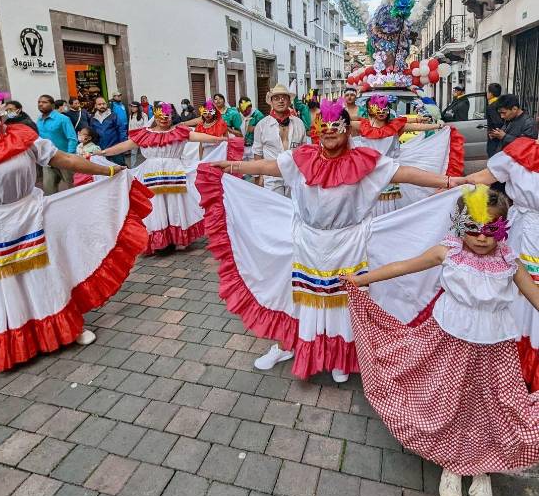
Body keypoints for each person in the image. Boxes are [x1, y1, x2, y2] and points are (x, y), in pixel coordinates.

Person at [196, 99, 466, 383]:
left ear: (347, 130)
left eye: (335, 127)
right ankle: (289, 346)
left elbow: (404, 173)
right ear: (317, 130)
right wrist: (233, 166)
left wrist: (449, 182)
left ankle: (340, 358)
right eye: (323, 127)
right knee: (300, 296)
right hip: (307, 242)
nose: (329, 132)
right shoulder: (302, 157)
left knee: (342, 301)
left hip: (349, 243)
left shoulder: (364, 160)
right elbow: (271, 166)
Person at [346, 185, 539, 496]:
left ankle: (481, 468)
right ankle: (453, 462)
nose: (482, 238)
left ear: (502, 228)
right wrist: (361, 279)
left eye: (491, 229)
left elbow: (535, 296)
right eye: (473, 228)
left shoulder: (510, 262)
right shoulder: (448, 252)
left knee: (490, 408)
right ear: (460, 225)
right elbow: (402, 267)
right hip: (448, 346)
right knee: (449, 401)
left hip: (495, 355)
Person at [0, 81, 153, 372]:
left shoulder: (23, 138)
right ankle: (5, 341)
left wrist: (109, 169)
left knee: (41, 274)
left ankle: (64, 328)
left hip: (25, 218)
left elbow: (64, 159)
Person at [98, 102, 226, 253]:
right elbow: (124, 146)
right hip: (152, 177)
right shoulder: (145, 134)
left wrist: (220, 140)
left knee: (175, 205)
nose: (164, 118)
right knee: (156, 206)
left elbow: (200, 136)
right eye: (160, 115)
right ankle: (161, 241)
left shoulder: (179, 132)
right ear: (155, 116)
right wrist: (103, 153)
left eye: (167, 115)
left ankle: (177, 239)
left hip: (175, 175)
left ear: (172, 116)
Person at [467, 136, 539, 392]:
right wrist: (451, 185)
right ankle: (510, 363)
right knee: (517, 291)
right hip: (524, 234)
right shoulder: (522, 151)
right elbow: (484, 177)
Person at [355, 94, 439, 216]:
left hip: (391, 173)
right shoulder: (363, 126)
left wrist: (438, 125)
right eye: (378, 109)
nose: (381, 112)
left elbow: (417, 127)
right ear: (370, 110)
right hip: (370, 174)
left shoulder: (395, 126)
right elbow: (346, 123)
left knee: (389, 205)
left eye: (384, 109)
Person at [252, 83, 307, 197]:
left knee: (294, 206)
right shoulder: (262, 125)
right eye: (276, 98)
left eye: (284, 98)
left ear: (289, 101)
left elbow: (303, 151)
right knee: (274, 206)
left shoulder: (299, 123)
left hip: (294, 175)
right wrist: (259, 176)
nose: (280, 101)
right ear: (271, 102)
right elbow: (257, 153)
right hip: (271, 177)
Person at [36, 95, 77, 195]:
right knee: (49, 190)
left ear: (53, 105)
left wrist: (69, 156)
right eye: (39, 102)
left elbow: (72, 138)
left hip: (64, 158)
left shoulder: (63, 119)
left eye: (44, 102)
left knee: (72, 187)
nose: (41, 104)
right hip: (48, 160)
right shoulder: (39, 120)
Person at [90, 96, 127, 166]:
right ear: (95, 106)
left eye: (103, 104)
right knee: (106, 169)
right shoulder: (93, 118)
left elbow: (121, 130)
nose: (102, 106)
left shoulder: (113, 115)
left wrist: (123, 144)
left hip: (115, 148)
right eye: (99, 104)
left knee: (121, 167)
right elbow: (92, 134)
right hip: (101, 150)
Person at [238, 96, 264, 160]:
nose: (244, 112)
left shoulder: (258, 115)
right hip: (243, 146)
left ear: (250, 107)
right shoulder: (239, 115)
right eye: (242, 111)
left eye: (246, 110)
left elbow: (265, 129)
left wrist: (255, 128)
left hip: (254, 147)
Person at [485, 83, 502, 158]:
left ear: (491, 94)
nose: (487, 94)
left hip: (495, 137)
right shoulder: (501, 103)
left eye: (487, 92)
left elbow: (497, 122)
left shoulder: (491, 106)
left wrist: (492, 133)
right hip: (502, 136)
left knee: (492, 155)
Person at [128, 101, 146, 167]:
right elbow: (130, 126)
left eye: (134, 107)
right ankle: (133, 167)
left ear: (138, 107)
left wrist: (143, 136)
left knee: (145, 153)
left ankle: (147, 167)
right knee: (133, 153)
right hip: (133, 138)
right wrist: (129, 136)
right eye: (131, 106)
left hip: (142, 137)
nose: (132, 108)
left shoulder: (143, 115)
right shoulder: (131, 115)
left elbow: (146, 127)